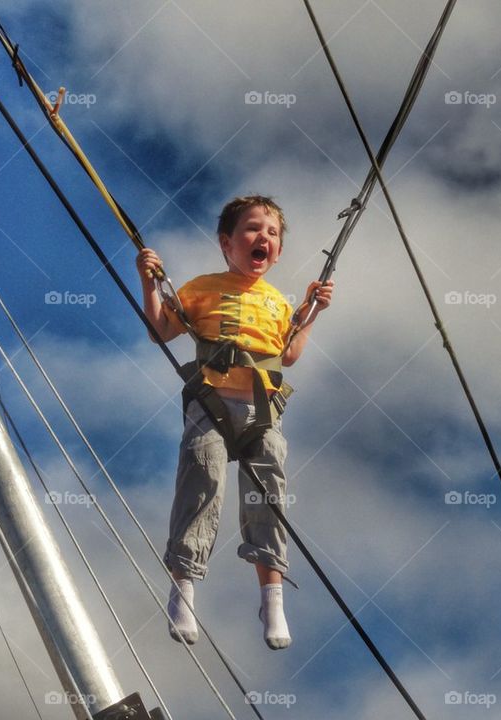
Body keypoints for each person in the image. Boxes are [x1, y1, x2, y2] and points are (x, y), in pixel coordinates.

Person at [136, 195, 333, 650]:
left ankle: (272, 598)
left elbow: (288, 355)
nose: (263, 237)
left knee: (269, 496)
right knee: (202, 481)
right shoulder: (203, 287)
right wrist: (149, 283)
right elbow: (161, 330)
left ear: (278, 251)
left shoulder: (279, 303)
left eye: (272, 233)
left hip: (262, 414)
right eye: (251, 229)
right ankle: (183, 587)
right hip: (211, 404)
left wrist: (313, 312)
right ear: (227, 243)